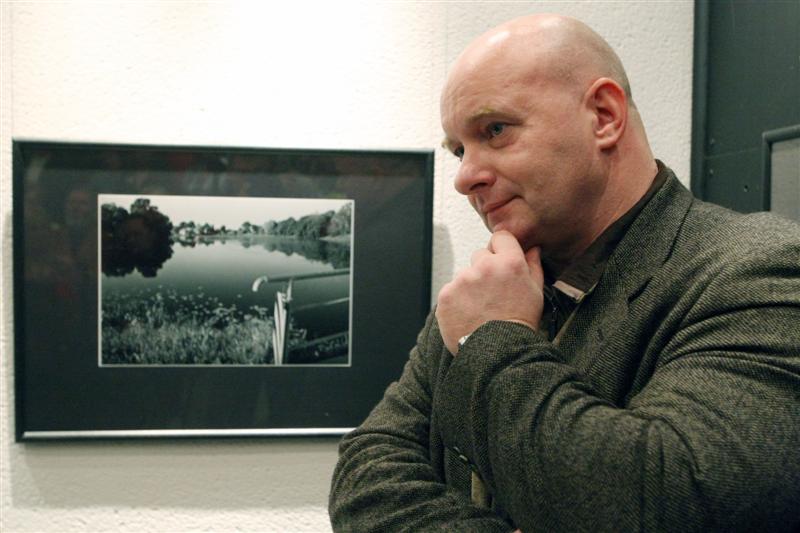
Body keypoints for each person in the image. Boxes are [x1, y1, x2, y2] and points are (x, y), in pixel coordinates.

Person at [329, 13, 800, 532]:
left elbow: (665, 500)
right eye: (460, 149)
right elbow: (365, 477)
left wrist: (493, 336)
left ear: (604, 116)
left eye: (495, 130)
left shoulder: (758, 269)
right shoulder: (484, 292)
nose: (464, 177)